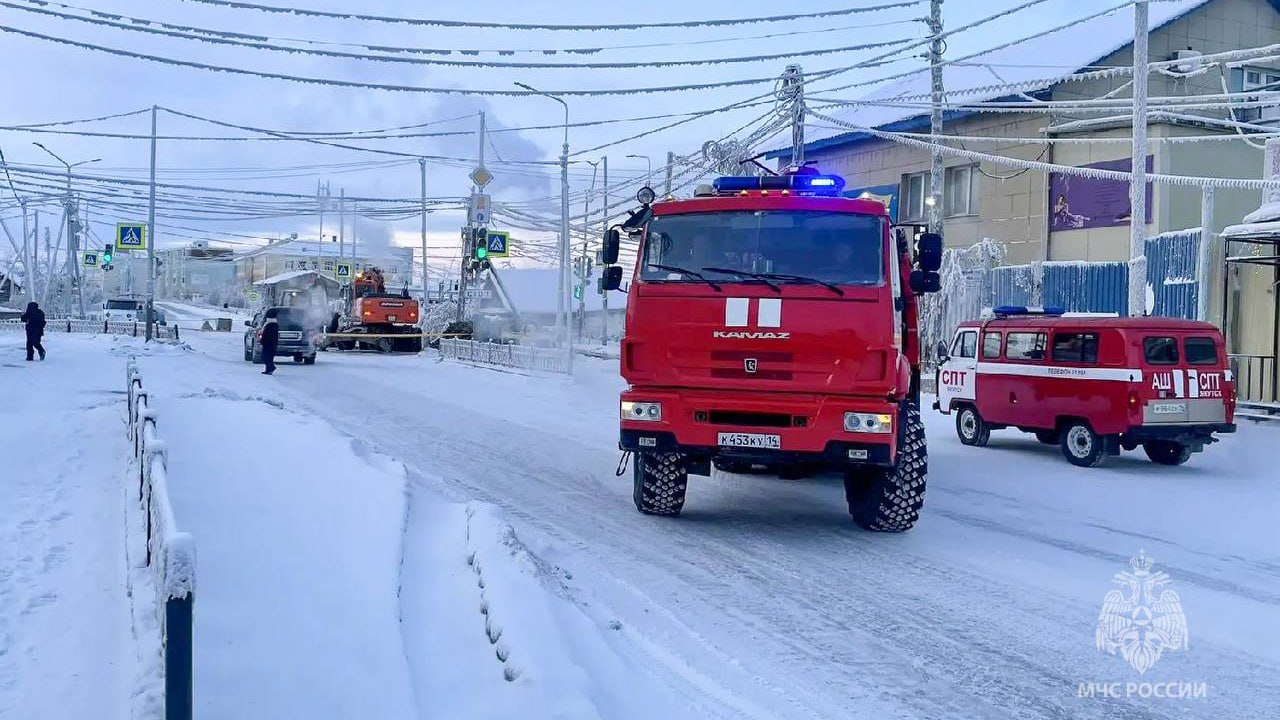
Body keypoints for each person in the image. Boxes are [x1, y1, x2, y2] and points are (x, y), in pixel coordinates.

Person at [259, 308, 279, 375]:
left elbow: (266, 335)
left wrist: (262, 341)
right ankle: (268, 370)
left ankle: (271, 368)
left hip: (269, 344)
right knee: (268, 357)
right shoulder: (273, 324)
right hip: (271, 344)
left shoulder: (270, 325)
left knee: (265, 357)